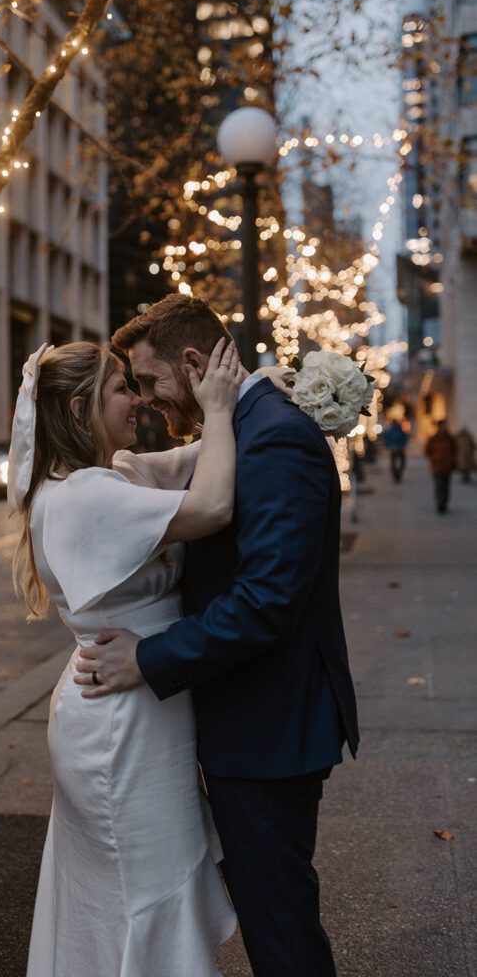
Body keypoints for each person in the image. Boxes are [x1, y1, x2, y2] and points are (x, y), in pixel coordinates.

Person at [76, 294, 359, 977]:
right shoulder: (248, 425)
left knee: (279, 924)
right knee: (272, 915)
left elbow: (266, 601)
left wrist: (148, 657)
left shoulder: (276, 436)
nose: (146, 401)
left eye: (148, 381)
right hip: (252, 718)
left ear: (195, 362)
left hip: (268, 727)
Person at [9, 337, 247, 976]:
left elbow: (188, 462)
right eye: (121, 388)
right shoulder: (86, 496)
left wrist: (258, 391)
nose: (137, 401)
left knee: (129, 890)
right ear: (82, 408)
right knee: (140, 887)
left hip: (131, 704)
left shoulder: (103, 479)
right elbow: (213, 505)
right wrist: (220, 412)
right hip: (121, 723)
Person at [425, 419, 457, 513]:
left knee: (446, 486)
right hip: (437, 467)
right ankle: (440, 504)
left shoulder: (450, 439)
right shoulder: (434, 439)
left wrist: (453, 460)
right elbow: (427, 451)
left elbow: (455, 450)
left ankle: (444, 503)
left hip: (447, 466)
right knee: (439, 485)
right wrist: (435, 458)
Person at [383, 418, 409, 483]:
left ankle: (397, 475)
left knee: (397, 463)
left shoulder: (393, 430)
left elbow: (404, 438)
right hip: (396, 448)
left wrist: (389, 445)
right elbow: (388, 439)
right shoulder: (394, 430)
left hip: (397, 448)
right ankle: (397, 475)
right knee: (397, 463)